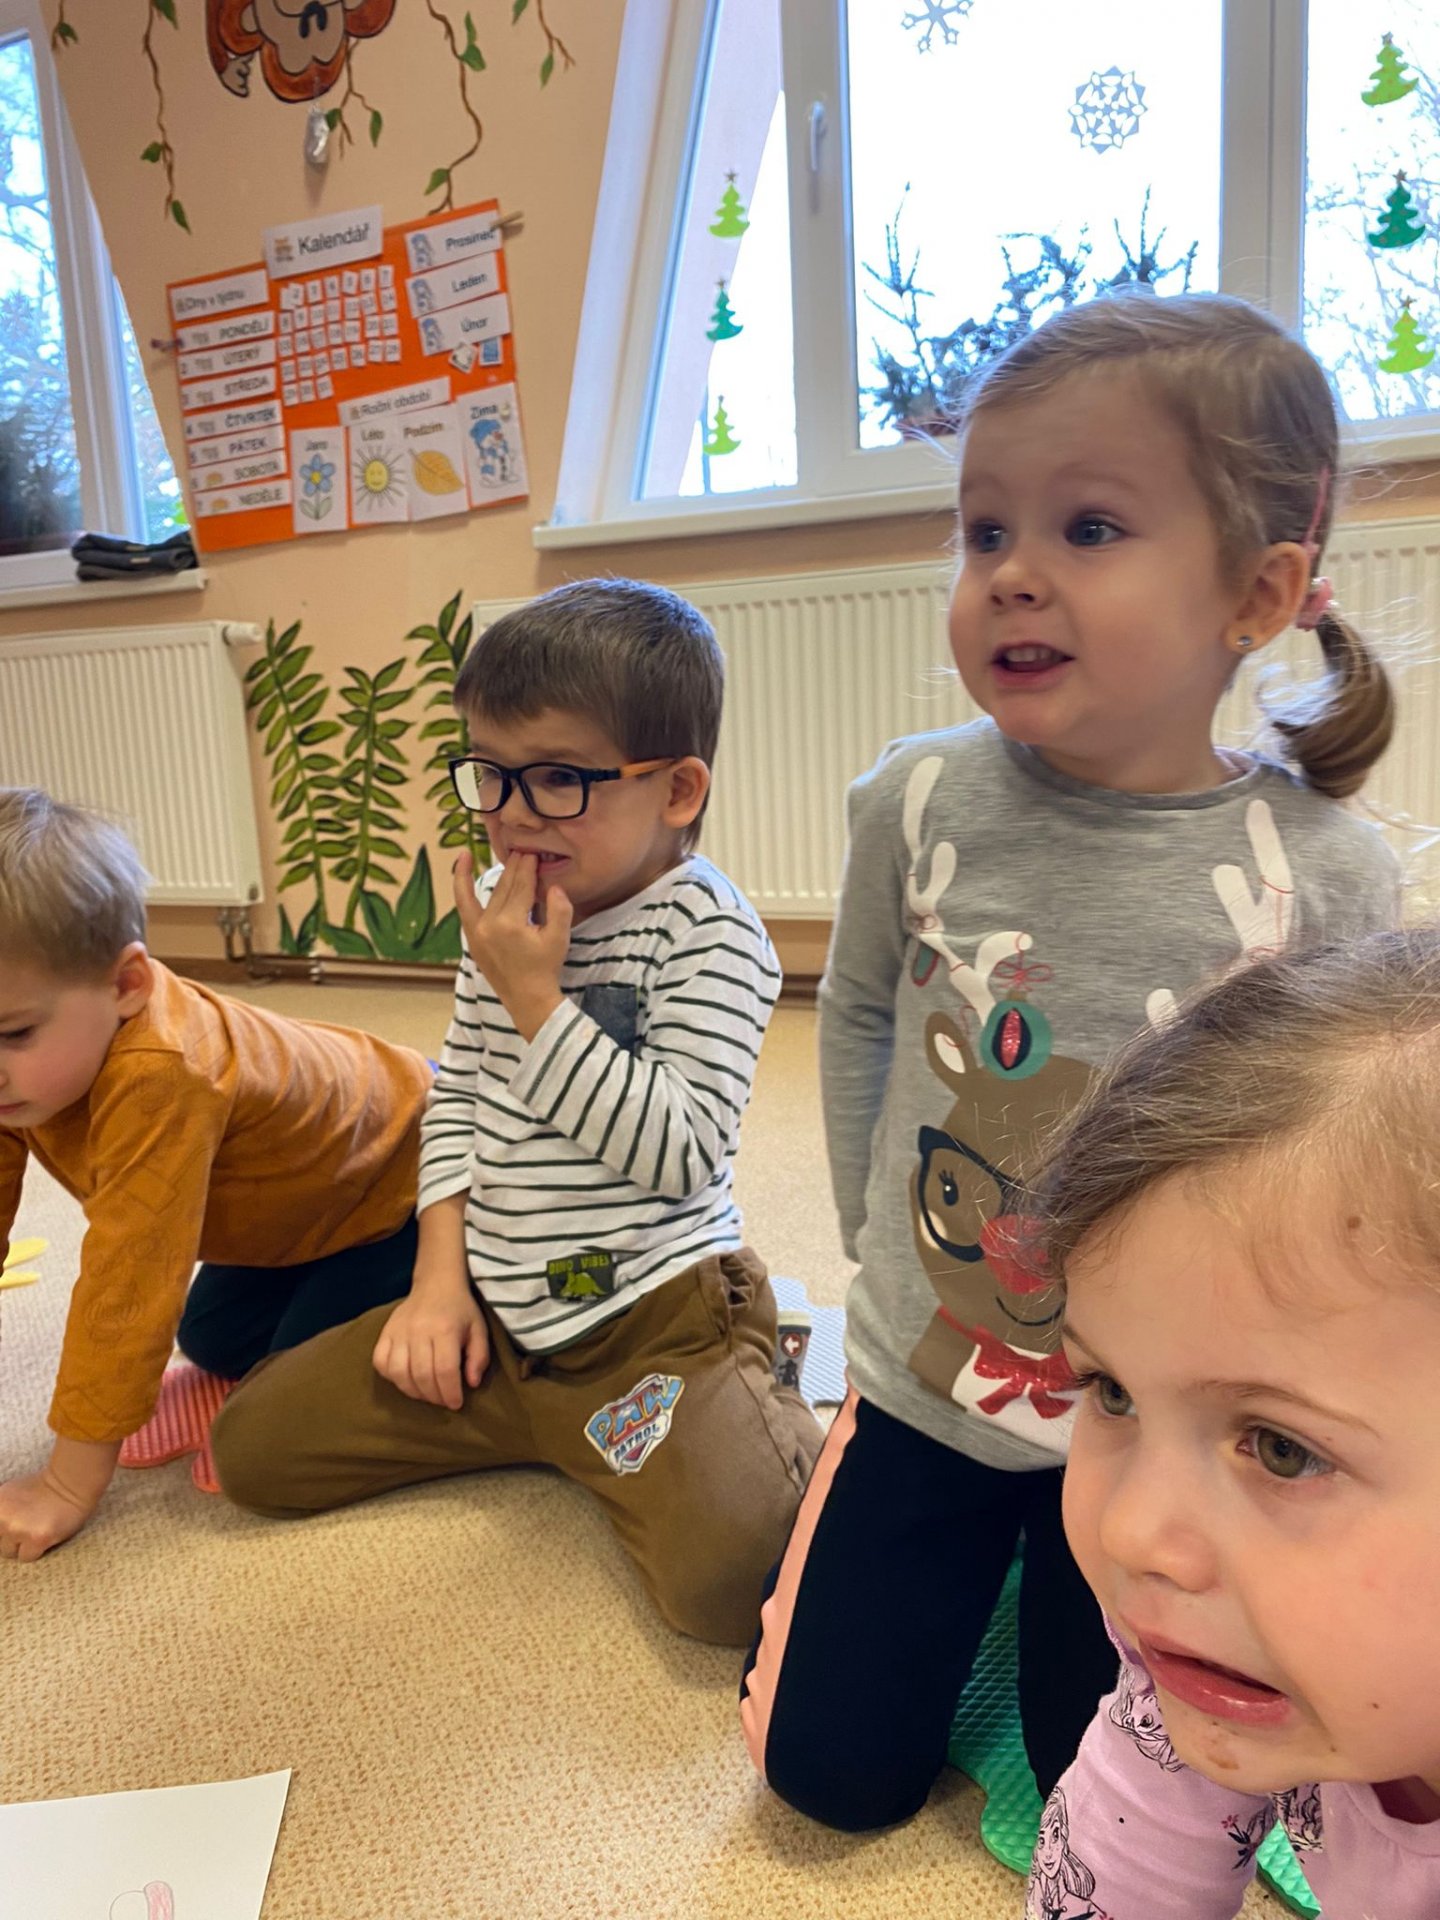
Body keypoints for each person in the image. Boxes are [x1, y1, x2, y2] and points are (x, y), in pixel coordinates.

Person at [741, 292, 1403, 1830]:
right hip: (922, 1381)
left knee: (1086, 1785)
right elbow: (857, 1011)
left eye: (1089, 528)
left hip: (1153, 1431)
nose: (1013, 573)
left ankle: (1021, 1599)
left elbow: (1342, 1142)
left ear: (1259, 592)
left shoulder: (1325, 868)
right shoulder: (915, 799)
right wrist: (871, 1234)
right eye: (983, 531)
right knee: (825, 1781)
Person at [211, 579, 823, 1645]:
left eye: (557, 779)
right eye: (490, 773)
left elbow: (681, 1153)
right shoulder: (507, 911)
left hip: (651, 1321)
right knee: (250, 1451)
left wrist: (535, 998)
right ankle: (556, 1430)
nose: (510, 813)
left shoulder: (711, 932)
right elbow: (457, 1100)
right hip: (497, 1322)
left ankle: (752, 1373)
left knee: (737, 1584)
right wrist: (437, 1287)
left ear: (678, 789)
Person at [1024, 928, 1440, 1919]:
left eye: (1283, 1450)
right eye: (1111, 1392)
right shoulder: (1218, 1649)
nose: (1132, 1533)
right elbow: (1124, 1856)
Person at [0, 788, 432, 1563]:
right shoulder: (24, 1075)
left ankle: (480, 1304)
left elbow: (129, 1279)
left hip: (406, 1185)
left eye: (14, 1032)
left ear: (127, 985)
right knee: (210, 1337)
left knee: (287, 1405)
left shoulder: (163, 1074)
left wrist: (66, 1483)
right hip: (305, 1207)